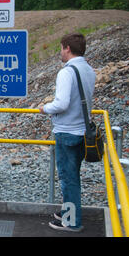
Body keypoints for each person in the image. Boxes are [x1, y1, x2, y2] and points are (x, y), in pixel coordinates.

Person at [39, 33, 95, 232]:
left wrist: (45, 108)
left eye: (61, 48)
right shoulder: (88, 69)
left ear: (68, 48)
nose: (60, 52)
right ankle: (68, 211)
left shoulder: (67, 72)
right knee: (73, 176)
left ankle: (71, 221)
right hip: (82, 132)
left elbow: (62, 103)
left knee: (68, 179)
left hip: (67, 131)